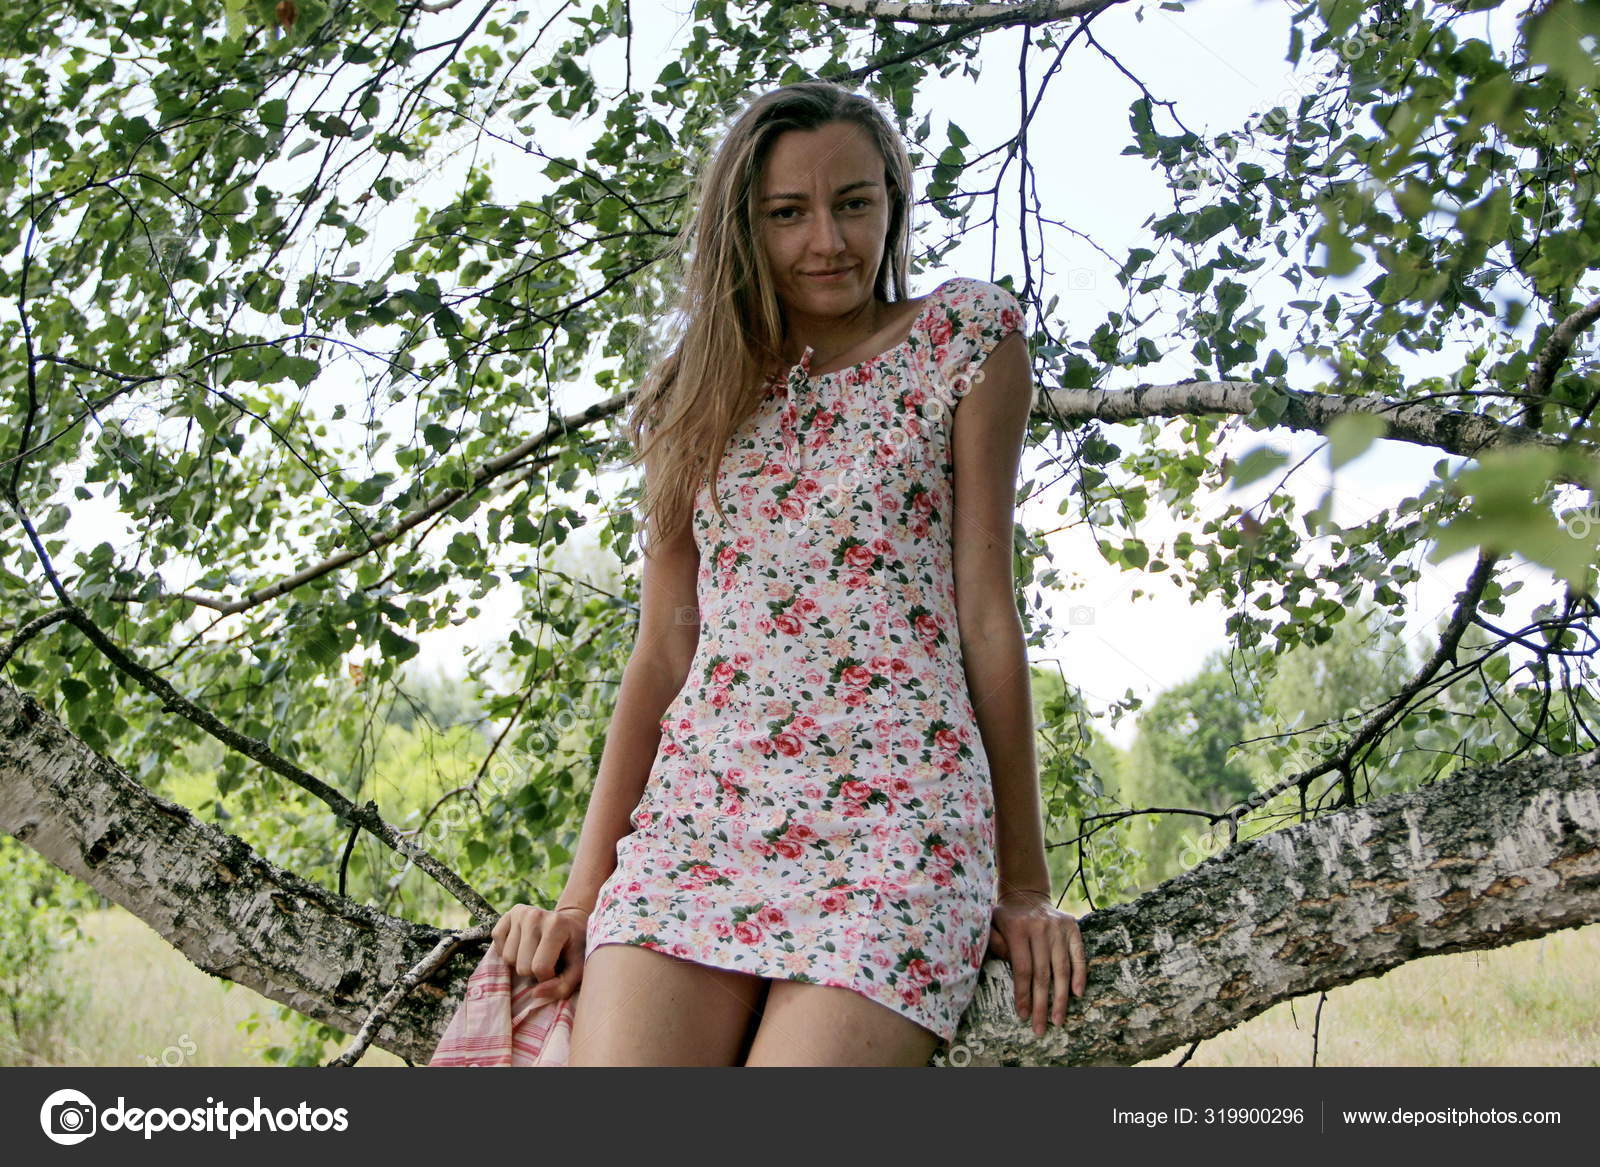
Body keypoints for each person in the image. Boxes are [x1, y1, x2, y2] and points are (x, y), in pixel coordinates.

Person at [490, 79, 1087, 1067]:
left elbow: (987, 618)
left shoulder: (964, 340)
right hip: (701, 821)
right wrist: (578, 897)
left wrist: (1024, 887)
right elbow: (662, 651)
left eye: (853, 203)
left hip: (898, 825)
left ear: (893, 200)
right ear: (744, 228)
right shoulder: (698, 390)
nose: (828, 241)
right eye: (788, 213)